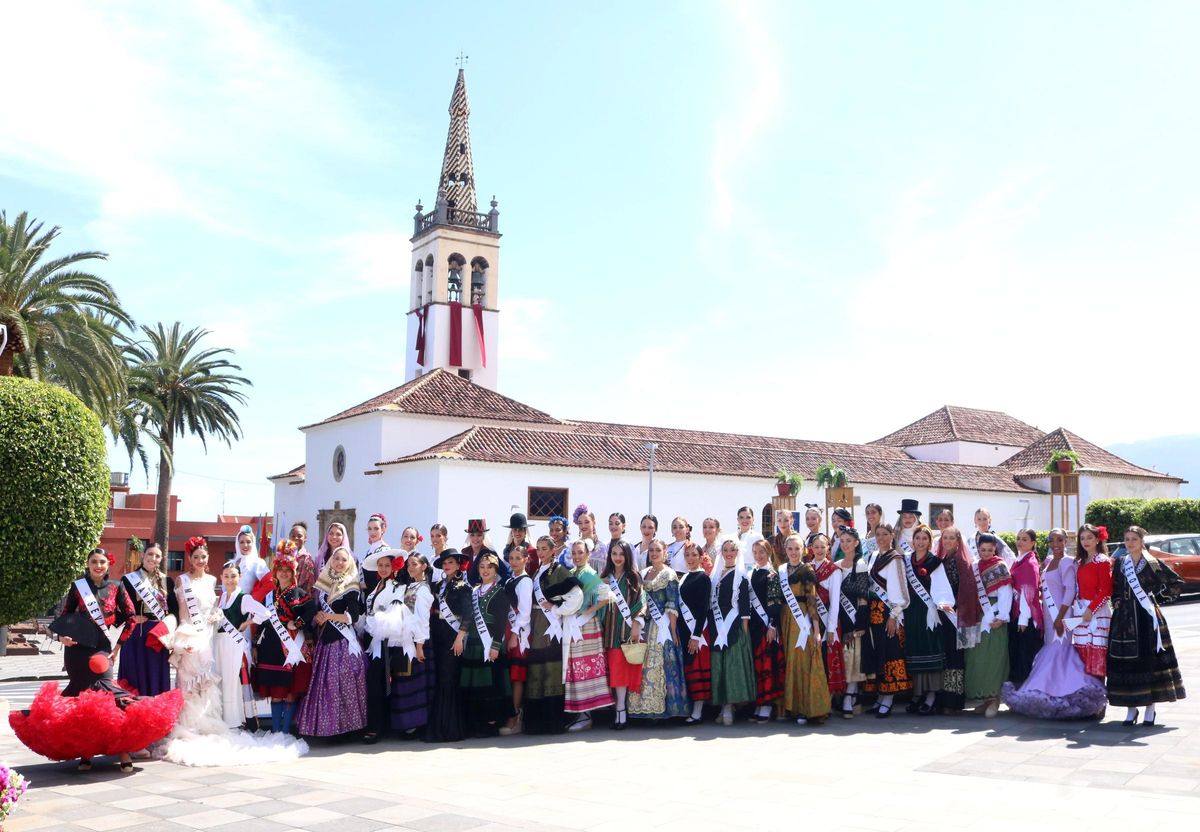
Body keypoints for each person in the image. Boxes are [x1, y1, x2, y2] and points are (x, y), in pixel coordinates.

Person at [1001, 529, 1107, 719]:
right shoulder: (1048, 562)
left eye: (1060, 540)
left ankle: (1069, 692)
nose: (1056, 543)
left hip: (1062, 614)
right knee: (1051, 649)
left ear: (1066, 541)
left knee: (1060, 652)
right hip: (1049, 615)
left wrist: (1061, 617)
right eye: (1052, 540)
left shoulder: (1067, 561)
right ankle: (1049, 691)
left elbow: (1070, 590)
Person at [54, 548, 140, 772]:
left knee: (110, 697)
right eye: (94, 562)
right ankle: (86, 752)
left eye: (102, 562)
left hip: (102, 650)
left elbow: (131, 618)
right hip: (77, 651)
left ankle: (123, 750)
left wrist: (118, 645)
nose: (98, 565)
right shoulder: (78, 586)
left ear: (107, 564)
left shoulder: (116, 587)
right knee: (83, 700)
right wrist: (61, 637)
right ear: (88, 563)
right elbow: (64, 616)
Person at [1107, 526, 1187, 726]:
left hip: (1146, 617)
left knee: (1149, 660)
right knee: (1125, 663)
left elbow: (1175, 583)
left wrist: (1157, 598)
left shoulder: (1152, 563)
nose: (1130, 542)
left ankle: (1150, 707)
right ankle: (1131, 709)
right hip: (1123, 619)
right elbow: (1115, 587)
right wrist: (1116, 599)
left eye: (1134, 539)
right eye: (1127, 539)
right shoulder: (1120, 563)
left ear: (1142, 541)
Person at [297, 546, 367, 737]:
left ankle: (347, 729)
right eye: (337, 559)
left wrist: (328, 617)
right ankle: (327, 728)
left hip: (342, 643)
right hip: (325, 642)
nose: (340, 563)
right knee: (325, 686)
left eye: (344, 560)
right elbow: (318, 610)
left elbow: (351, 617)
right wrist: (319, 615)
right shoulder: (324, 584)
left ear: (350, 563)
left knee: (343, 685)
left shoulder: (351, 587)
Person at [252, 547, 317, 735]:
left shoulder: (300, 593)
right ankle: (275, 730)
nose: (284, 573)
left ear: (293, 572)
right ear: (275, 572)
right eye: (280, 569)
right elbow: (261, 621)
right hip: (271, 647)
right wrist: (256, 644)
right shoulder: (268, 596)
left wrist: (296, 623)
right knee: (276, 690)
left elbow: (311, 610)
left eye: (288, 570)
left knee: (289, 691)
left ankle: (286, 731)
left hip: (292, 646)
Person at [525, 536, 583, 734]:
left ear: (553, 551)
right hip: (536, 623)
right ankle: (536, 723)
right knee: (536, 671)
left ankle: (551, 722)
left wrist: (557, 609)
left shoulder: (559, 570)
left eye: (544, 549)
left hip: (550, 626)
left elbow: (576, 595)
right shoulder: (536, 571)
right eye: (539, 549)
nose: (540, 552)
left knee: (550, 669)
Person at [628, 539, 689, 722]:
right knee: (644, 666)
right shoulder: (644, 573)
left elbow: (672, 602)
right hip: (646, 625)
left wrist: (671, 628)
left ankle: (669, 710)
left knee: (666, 665)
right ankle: (645, 708)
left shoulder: (669, 574)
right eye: (652, 550)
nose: (654, 553)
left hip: (662, 627)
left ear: (665, 553)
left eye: (658, 550)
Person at [168, 537, 224, 734]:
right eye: (196, 557)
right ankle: (189, 727)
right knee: (189, 680)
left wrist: (216, 614)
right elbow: (183, 613)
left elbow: (213, 607)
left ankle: (206, 725)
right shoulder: (182, 580)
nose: (200, 560)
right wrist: (183, 640)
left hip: (208, 636)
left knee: (206, 681)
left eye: (203, 556)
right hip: (191, 636)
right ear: (190, 559)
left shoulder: (212, 580)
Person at [459, 552, 517, 737]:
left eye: (489, 567)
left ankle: (492, 722)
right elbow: (468, 616)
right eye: (482, 567)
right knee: (475, 683)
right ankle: (477, 721)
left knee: (492, 683)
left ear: (495, 570)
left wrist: (495, 646)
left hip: (491, 642)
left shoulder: (500, 591)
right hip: (474, 643)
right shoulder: (474, 590)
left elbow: (501, 621)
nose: (485, 570)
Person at [900, 526, 953, 715]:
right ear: (912, 540)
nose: (920, 541)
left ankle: (931, 694)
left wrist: (943, 603)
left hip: (928, 611)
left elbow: (941, 587)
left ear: (929, 542)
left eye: (924, 538)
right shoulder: (905, 560)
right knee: (914, 649)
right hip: (910, 611)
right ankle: (917, 693)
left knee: (930, 648)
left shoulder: (934, 562)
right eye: (918, 538)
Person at [778, 535, 831, 724]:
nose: (793, 552)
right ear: (785, 550)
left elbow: (812, 601)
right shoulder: (781, 571)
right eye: (790, 549)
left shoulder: (807, 570)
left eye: (797, 549)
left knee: (803, 661)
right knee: (789, 661)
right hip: (785, 618)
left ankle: (806, 708)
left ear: (803, 550)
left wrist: (816, 629)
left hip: (802, 620)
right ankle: (791, 707)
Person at [563, 540, 614, 730]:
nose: (577, 556)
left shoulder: (591, 575)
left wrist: (589, 610)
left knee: (584, 667)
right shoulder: (573, 573)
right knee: (575, 668)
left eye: (580, 553)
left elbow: (607, 596)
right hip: (574, 625)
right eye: (574, 553)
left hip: (586, 626)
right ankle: (581, 713)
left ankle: (587, 715)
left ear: (588, 554)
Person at [119, 543, 177, 699]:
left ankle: (155, 712)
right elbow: (119, 606)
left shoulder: (167, 581)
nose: (153, 558)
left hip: (157, 636)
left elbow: (174, 611)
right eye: (150, 554)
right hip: (136, 633)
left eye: (157, 556)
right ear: (143, 555)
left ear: (161, 559)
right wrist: (132, 617)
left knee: (155, 672)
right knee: (134, 673)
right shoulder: (129, 579)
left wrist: (168, 629)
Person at [864, 524, 911, 717]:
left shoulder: (896, 559)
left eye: (885, 534)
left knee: (891, 651)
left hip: (888, 612)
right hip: (873, 611)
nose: (881, 537)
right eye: (878, 534)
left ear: (892, 535)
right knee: (879, 653)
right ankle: (881, 696)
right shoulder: (874, 556)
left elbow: (901, 590)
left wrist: (894, 615)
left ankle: (889, 699)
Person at [963, 534, 1012, 717]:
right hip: (978, 617)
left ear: (995, 549)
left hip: (994, 617)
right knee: (977, 659)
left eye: (990, 550)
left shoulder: (1000, 566)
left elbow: (1006, 593)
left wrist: (1002, 616)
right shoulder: (974, 566)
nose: (986, 553)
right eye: (983, 550)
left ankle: (995, 699)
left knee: (993, 659)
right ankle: (984, 699)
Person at [708, 539, 756, 725]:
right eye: (725, 550)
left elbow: (745, 604)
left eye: (732, 550)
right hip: (716, 625)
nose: (729, 553)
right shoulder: (715, 574)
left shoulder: (741, 575)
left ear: (738, 553)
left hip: (733, 625)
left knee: (731, 665)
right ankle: (721, 704)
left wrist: (744, 631)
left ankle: (730, 705)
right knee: (718, 665)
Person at [360, 549, 405, 744]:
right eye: (381, 565)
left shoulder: (397, 587)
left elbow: (396, 614)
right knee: (375, 683)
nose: (384, 568)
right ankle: (377, 724)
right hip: (373, 639)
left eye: (387, 565)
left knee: (382, 683)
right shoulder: (376, 585)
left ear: (393, 567)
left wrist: (376, 624)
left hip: (386, 640)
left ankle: (379, 727)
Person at [426, 549, 471, 742]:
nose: (447, 566)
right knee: (439, 679)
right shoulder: (437, 585)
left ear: (458, 564)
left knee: (449, 679)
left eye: (450, 562)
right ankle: (438, 725)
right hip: (437, 634)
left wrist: (460, 637)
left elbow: (468, 615)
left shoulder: (463, 587)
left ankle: (451, 728)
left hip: (453, 637)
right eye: (444, 563)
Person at [601, 540, 644, 730]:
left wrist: (636, 624)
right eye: (614, 554)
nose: (617, 558)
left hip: (624, 631)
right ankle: (615, 709)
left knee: (620, 672)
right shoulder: (603, 578)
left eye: (621, 554)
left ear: (627, 556)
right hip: (607, 631)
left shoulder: (633, 578)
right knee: (611, 672)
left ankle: (621, 710)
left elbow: (641, 603)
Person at [213, 562, 261, 730]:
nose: (230, 580)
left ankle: (236, 721)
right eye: (226, 576)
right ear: (221, 578)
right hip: (219, 644)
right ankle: (223, 720)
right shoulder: (220, 599)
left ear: (239, 577)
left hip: (233, 644)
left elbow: (265, 613)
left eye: (233, 576)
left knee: (233, 681)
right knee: (221, 679)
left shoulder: (244, 598)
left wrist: (247, 622)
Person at [391, 553, 435, 736]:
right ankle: (408, 724)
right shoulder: (411, 587)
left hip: (419, 641)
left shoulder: (423, 590)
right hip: (407, 639)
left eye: (414, 564)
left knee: (416, 684)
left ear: (424, 566)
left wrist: (419, 645)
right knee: (406, 682)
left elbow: (423, 619)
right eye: (408, 564)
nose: (410, 567)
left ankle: (416, 723)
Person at [747, 539, 784, 723]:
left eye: (762, 552)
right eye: (755, 552)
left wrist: (772, 625)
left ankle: (767, 705)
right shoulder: (751, 573)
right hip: (753, 625)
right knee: (756, 666)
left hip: (766, 626)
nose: (758, 555)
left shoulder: (771, 574)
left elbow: (775, 602)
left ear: (768, 552)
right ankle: (759, 702)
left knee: (767, 665)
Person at [933, 526, 970, 713]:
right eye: (944, 538)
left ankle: (954, 701)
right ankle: (944, 698)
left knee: (955, 659)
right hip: (943, 615)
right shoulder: (944, 559)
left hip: (954, 617)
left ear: (958, 541)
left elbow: (963, 590)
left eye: (951, 538)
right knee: (946, 657)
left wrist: (954, 608)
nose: (947, 541)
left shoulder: (958, 561)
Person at [677, 541, 714, 724]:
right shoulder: (683, 578)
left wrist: (696, 635)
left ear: (700, 557)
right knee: (688, 668)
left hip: (697, 631)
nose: (690, 558)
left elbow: (703, 608)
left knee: (697, 669)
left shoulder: (703, 578)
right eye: (687, 555)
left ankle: (698, 711)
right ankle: (691, 707)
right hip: (684, 630)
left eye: (694, 555)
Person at [836, 528, 871, 717]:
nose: (845, 544)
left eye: (849, 540)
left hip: (855, 617)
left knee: (853, 657)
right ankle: (848, 693)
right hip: (838, 616)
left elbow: (864, 598)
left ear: (856, 542)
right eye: (842, 541)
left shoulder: (861, 565)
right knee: (842, 657)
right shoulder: (836, 565)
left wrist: (861, 624)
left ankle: (850, 694)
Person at [1071, 523, 1113, 679]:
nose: (1085, 541)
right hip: (1081, 611)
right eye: (1082, 538)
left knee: (1097, 654)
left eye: (1089, 537)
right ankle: (1086, 695)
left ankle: (1098, 696)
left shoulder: (1102, 561)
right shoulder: (1080, 562)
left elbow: (1106, 591)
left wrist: (1091, 609)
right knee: (1083, 654)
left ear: (1097, 539)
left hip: (1096, 612)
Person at [500, 543, 534, 735]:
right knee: (510, 674)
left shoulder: (525, 581)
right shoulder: (511, 579)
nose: (514, 562)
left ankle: (515, 716)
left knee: (517, 675)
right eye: (511, 558)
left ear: (525, 560)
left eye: (518, 558)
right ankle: (510, 712)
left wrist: (514, 635)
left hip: (519, 634)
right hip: (507, 630)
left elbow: (524, 612)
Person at [810, 534, 846, 704]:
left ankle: (827, 700)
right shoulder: (807, 568)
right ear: (811, 548)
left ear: (828, 549)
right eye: (815, 546)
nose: (819, 550)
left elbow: (835, 601)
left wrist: (831, 628)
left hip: (827, 620)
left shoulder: (833, 571)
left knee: (826, 658)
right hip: (809, 620)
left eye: (822, 547)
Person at [1008, 529, 1044, 687]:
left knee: (1025, 656)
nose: (1020, 542)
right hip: (1019, 612)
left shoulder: (1029, 563)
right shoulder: (1020, 559)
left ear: (1033, 543)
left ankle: (1026, 693)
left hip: (1027, 617)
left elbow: (1028, 592)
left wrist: (1023, 618)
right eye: (1018, 538)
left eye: (1024, 539)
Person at [464, 518, 510, 583]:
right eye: (472, 535)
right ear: (469, 536)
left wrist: (496, 589)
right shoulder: (464, 554)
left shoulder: (490, 554)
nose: (475, 538)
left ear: (483, 536)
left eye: (479, 535)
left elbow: (506, 575)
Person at [360, 513, 391, 593]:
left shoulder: (385, 550)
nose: (372, 532)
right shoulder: (369, 551)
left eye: (376, 528)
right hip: (367, 596)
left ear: (383, 529)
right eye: (369, 529)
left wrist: (362, 585)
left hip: (379, 594)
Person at [574, 504, 608, 572]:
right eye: (580, 523)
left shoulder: (602, 548)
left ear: (594, 522)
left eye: (587, 522)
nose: (583, 526)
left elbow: (606, 574)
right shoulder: (573, 546)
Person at [289, 522, 317, 595]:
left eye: (299, 536)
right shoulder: (284, 556)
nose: (296, 538)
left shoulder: (306, 558)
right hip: (283, 595)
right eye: (293, 536)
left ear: (305, 539)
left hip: (299, 597)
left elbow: (307, 584)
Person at [737, 506, 765, 570]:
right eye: (741, 517)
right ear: (738, 520)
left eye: (748, 517)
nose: (745, 520)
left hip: (751, 572)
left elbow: (763, 557)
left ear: (753, 519)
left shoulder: (757, 536)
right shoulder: (733, 537)